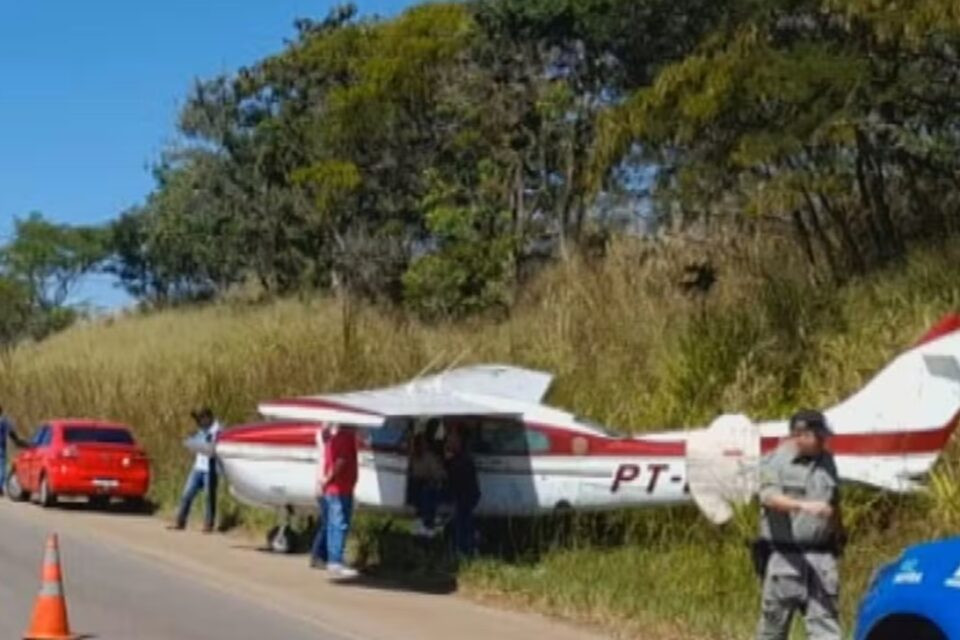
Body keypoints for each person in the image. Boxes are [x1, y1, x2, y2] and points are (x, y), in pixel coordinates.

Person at [755, 409, 844, 640]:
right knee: (772, 632)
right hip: (786, 560)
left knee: (827, 631)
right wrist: (804, 506)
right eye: (819, 436)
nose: (824, 441)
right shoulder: (774, 462)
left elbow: (833, 500)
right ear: (799, 435)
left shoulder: (827, 461)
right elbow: (769, 497)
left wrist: (838, 532)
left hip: (822, 560)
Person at [310, 422, 359, 579]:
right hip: (340, 489)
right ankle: (336, 562)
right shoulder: (346, 438)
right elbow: (340, 462)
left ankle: (332, 560)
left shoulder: (335, 437)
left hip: (336, 489)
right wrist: (327, 479)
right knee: (340, 525)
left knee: (332, 525)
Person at [172, 408, 222, 533]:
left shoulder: (217, 430)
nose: (201, 423)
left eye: (202, 420)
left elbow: (211, 445)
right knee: (187, 494)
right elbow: (197, 439)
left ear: (209, 418)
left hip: (211, 469)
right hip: (198, 467)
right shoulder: (202, 428)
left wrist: (202, 437)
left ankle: (208, 524)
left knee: (209, 497)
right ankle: (180, 521)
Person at [444, 429, 481, 556]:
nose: (449, 444)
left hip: (466, 495)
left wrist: (448, 462)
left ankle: (463, 550)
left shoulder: (462, 460)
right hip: (466, 494)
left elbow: (455, 478)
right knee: (463, 521)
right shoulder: (459, 458)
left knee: (462, 522)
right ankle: (467, 549)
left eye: (451, 442)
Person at [409, 431, 445, 537]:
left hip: (428, 484)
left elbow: (439, 474)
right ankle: (423, 523)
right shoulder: (417, 457)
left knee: (426, 491)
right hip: (419, 484)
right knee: (422, 490)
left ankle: (425, 523)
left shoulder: (427, 457)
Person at [0, 405, 26, 496]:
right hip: (1, 446)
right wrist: (18, 442)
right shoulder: (4, 421)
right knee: (2, 466)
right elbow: (12, 433)